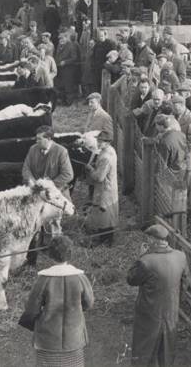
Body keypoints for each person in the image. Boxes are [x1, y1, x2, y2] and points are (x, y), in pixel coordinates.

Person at [19, 235, 94, 367]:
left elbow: (32, 309)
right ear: (70, 254)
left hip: (48, 339)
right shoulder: (80, 277)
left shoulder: (44, 279)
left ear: (50, 254)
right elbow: (89, 303)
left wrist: (32, 324)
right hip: (74, 336)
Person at [127, 224, 189, 367]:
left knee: (144, 351)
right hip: (171, 313)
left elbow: (131, 279)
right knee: (167, 352)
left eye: (148, 238)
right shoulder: (180, 256)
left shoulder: (146, 261)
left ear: (153, 240)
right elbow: (184, 283)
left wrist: (140, 256)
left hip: (149, 314)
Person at [84, 130, 119, 246]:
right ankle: (107, 238)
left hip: (104, 189)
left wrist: (90, 169)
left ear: (107, 142)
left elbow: (99, 177)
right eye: (98, 140)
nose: (98, 143)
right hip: (110, 187)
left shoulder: (105, 157)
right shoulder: (111, 151)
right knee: (108, 214)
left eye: (101, 141)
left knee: (104, 214)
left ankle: (105, 240)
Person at [22, 126, 74, 200]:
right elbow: (26, 168)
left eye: (39, 139)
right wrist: (32, 182)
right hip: (36, 191)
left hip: (56, 191)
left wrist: (49, 185)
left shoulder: (61, 151)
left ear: (48, 139)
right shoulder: (33, 149)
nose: (36, 141)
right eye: (36, 138)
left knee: (68, 210)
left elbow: (68, 174)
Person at [172, 95, 191, 210]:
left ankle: (188, 208)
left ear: (182, 105)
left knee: (188, 185)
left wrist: (182, 152)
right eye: (174, 106)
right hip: (178, 157)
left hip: (188, 157)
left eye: (177, 106)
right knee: (180, 183)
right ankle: (179, 207)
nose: (175, 108)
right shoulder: (175, 116)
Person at [55, 34, 80, 105]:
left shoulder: (71, 46)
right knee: (62, 85)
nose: (61, 40)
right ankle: (64, 101)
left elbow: (74, 58)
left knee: (68, 85)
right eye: (60, 39)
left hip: (68, 69)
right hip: (60, 69)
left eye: (62, 39)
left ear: (66, 38)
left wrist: (65, 62)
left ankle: (69, 102)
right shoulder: (59, 46)